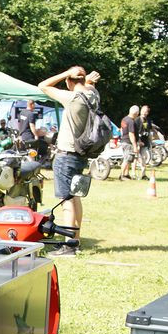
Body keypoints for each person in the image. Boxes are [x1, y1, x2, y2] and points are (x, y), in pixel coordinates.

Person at [37, 65, 101, 257]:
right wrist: (85, 81)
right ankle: (75, 240)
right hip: (81, 154)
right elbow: (87, 87)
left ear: (69, 81)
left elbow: (43, 85)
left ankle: (68, 246)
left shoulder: (72, 98)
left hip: (66, 154)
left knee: (67, 201)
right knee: (75, 197)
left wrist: (65, 73)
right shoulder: (93, 95)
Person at [119, 105, 140, 180]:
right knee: (127, 159)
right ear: (136, 113)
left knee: (129, 159)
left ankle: (126, 174)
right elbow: (131, 134)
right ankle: (122, 175)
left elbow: (121, 129)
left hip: (123, 141)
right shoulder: (131, 121)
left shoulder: (124, 119)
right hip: (128, 142)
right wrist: (134, 145)